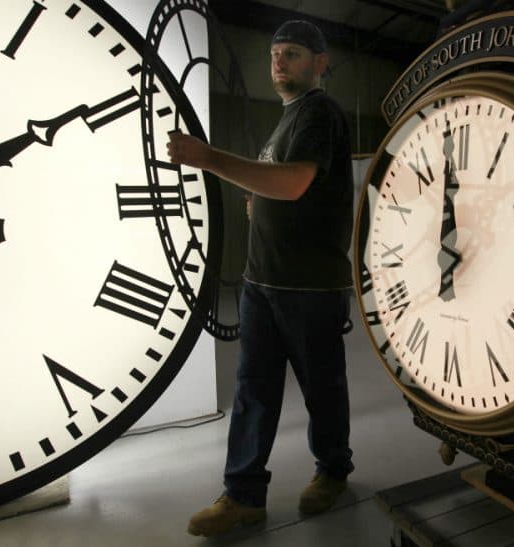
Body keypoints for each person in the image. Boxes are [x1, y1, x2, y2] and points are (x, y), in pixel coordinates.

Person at [167, 20, 355, 537]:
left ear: (320, 63)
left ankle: (333, 470)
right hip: (263, 282)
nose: (279, 62)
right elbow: (283, 184)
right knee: (254, 389)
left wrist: (207, 158)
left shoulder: (319, 113)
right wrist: (259, 201)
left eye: (292, 54)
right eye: (275, 54)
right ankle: (243, 495)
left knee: (322, 388)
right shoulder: (288, 120)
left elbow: (293, 183)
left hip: (310, 285)